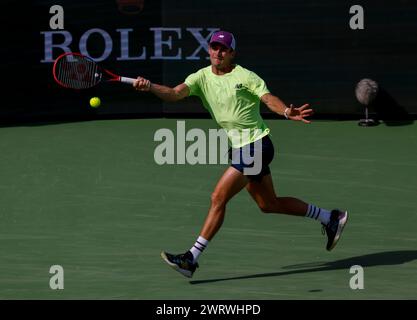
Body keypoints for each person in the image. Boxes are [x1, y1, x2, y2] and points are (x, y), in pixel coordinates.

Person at [133, 30, 348, 278]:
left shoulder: (245, 76)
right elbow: (173, 93)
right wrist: (149, 86)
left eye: (223, 49)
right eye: (214, 47)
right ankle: (330, 217)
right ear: (209, 50)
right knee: (269, 204)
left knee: (218, 197)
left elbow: (268, 99)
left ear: (232, 53)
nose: (218, 52)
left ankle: (191, 258)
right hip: (240, 148)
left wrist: (287, 112)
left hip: (257, 146)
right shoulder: (200, 77)